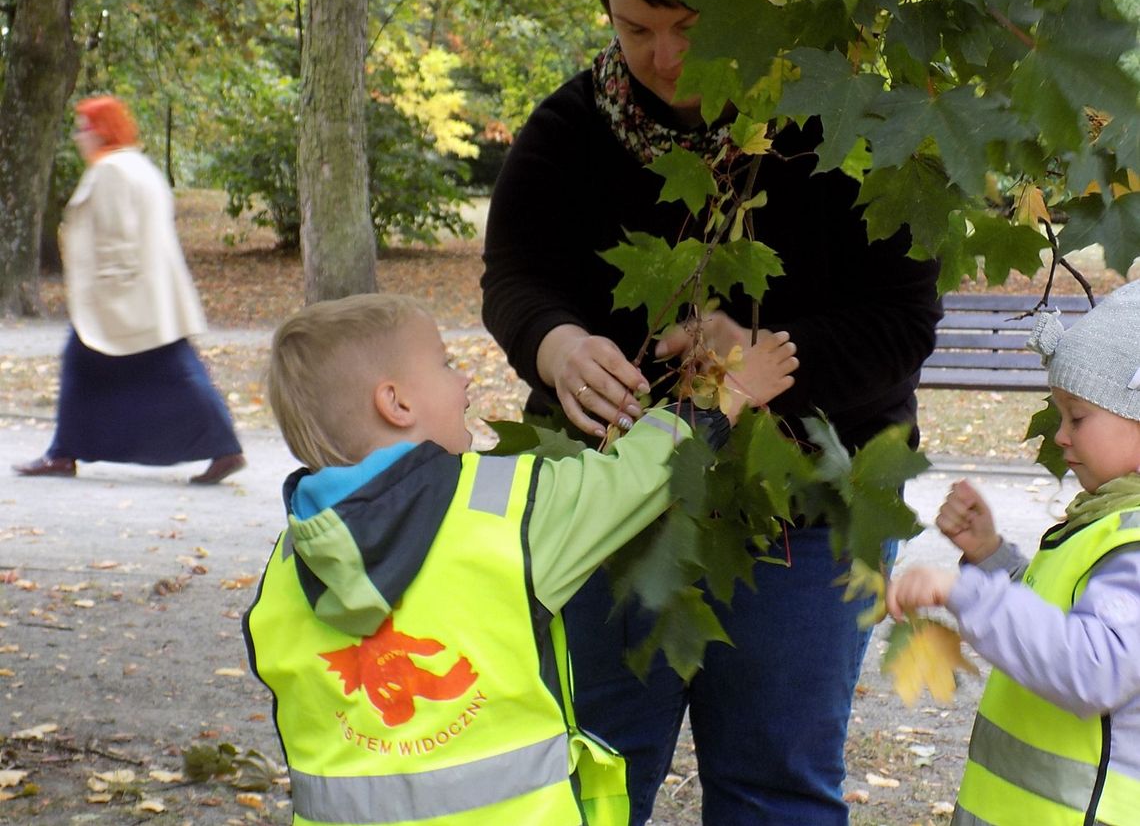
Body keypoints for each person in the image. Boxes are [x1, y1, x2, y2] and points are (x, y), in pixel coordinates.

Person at [479, 0, 942, 822]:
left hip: (803, 522)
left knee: (776, 793)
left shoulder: (844, 126)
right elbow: (514, 277)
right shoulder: (566, 130)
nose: (662, 57)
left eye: (686, 28)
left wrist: (767, 356)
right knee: (589, 777)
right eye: (634, 28)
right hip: (612, 514)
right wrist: (557, 344)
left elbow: (902, 324)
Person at [241, 292, 798, 825]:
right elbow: (633, 478)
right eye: (445, 363)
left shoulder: (287, 569)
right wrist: (728, 396)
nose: (465, 378)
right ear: (396, 403)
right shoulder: (508, 512)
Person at [887, 280, 1140, 826]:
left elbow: (1094, 667)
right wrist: (991, 558)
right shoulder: (1106, 522)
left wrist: (964, 592)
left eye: (1078, 417)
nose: (1062, 437)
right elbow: (1056, 620)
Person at [12, 95, 245, 485]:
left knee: (168, 367)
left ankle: (225, 448)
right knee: (134, 366)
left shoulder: (112, 172)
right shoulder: (138, 165)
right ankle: (64, 452)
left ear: (101, 130)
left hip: (124, 297)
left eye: (83, 127)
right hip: (146, 294)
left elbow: (119, 237)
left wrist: (112, 295)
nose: (77, 136)